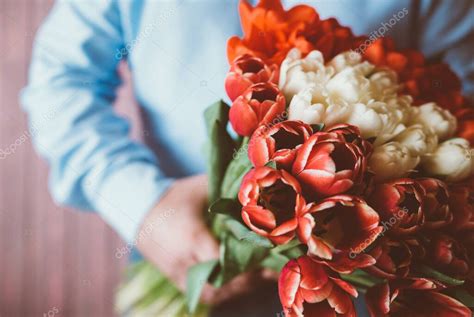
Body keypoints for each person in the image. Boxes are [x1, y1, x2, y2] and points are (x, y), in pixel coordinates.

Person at [21, 0, 473, 315]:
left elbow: (459, 95)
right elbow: (62, 79)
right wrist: (139, 204)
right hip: (169, 232)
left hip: (358, 257)